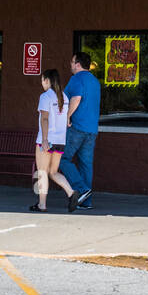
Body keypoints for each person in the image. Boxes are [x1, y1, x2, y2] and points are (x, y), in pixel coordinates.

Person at [31, 69, 79, 213]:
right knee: (53, 172)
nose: (41, 83)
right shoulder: (64, 97)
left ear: (47, 80)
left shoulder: (45, 97)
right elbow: (65, 119)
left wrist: (45, 139)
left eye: (42, 80)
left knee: (42, 172)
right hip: (60, 141)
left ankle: (42, 205)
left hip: (47, 140)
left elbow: (44, 119)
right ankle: (71, 192)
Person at [60, 52, 101, 209]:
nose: (70, 65)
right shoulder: (95, 82)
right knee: (86, 165)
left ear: (77, 64)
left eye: (72, 62)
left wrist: (67, 117)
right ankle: (86, 202)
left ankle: (82, 189)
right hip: (92, 129)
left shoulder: (77, 78)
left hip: (77, 127)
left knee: (63, 159)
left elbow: (76, 98)